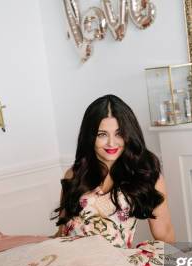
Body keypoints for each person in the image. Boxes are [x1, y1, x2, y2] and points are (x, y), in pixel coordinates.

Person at [53, 94, 175, 247]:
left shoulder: (147, 176)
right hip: (70, 261)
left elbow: (164, 234)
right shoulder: (74, 174)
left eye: (119, 133)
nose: (111, 143)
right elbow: (62, 231)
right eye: (102, 134)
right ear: (90, 136)